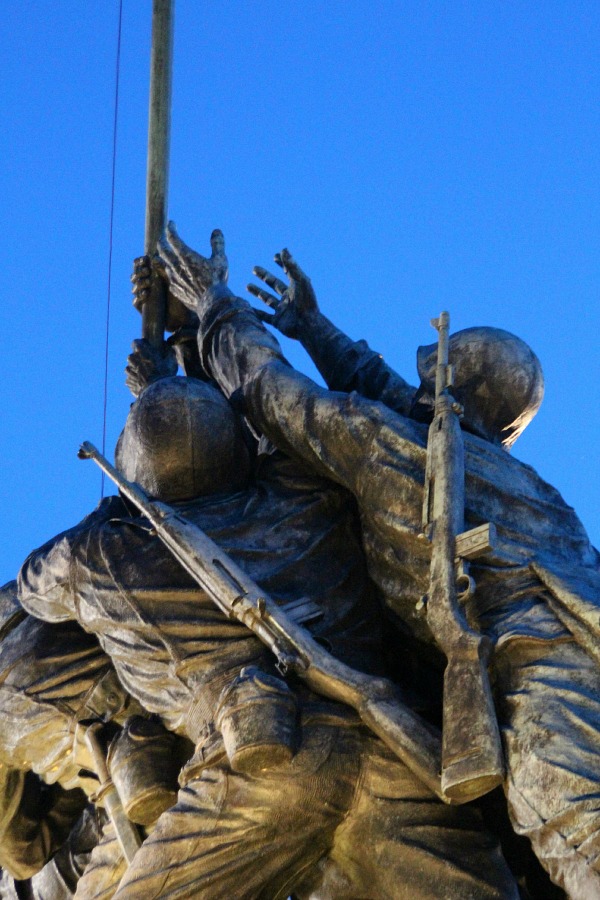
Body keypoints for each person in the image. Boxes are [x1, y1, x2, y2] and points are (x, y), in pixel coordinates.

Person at [153, 224, 600, 900]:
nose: (412, 386)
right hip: (578, 657)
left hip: (540, 683)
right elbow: (403, 407)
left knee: (579, 840)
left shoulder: (395, 449)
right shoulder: (533, 490)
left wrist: (215, 301)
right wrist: (312, 326)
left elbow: (272, 393)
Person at [17, 340, 518, 893]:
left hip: (257, 778)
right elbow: (270, 421)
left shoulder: (100, 557)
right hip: (394, 755)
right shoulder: (306, 492)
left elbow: (33, 587)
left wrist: (123, 497)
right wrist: (179, 376)